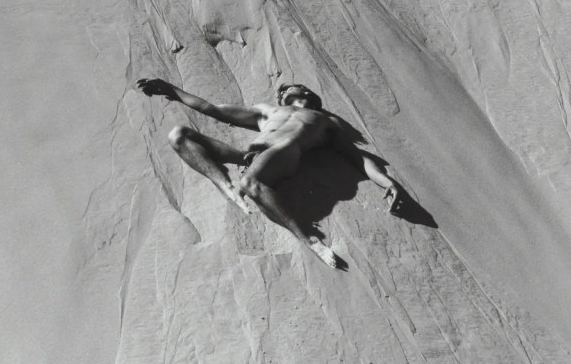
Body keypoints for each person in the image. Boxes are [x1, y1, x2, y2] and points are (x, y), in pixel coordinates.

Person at [137, 77, 405, 267]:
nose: (283, 90)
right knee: (178, 135)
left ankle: (309, 240)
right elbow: (213, 109)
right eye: (282, 90)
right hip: (252, 156)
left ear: (307, 92)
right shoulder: (266, 111)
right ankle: (226, 187)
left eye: (289, 87)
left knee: (251, 181)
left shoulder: (326, 121)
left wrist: (388, 182)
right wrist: (172, 90)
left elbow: (358, 157)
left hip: (285, 154)